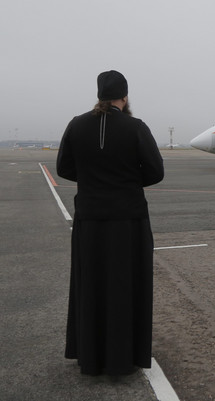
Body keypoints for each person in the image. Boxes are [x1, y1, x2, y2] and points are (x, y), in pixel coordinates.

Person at [56, 70, 164, 376]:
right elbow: (156, 171)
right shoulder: (135, 127)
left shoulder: (76, 125)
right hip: (128, 221)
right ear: (124, 97)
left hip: (89, 219)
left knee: (90, 285)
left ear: (100, 95)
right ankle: (124, 358)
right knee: (127, 286)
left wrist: (92, 181)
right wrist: (127, 181)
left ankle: (90, 357)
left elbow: (64, 167)